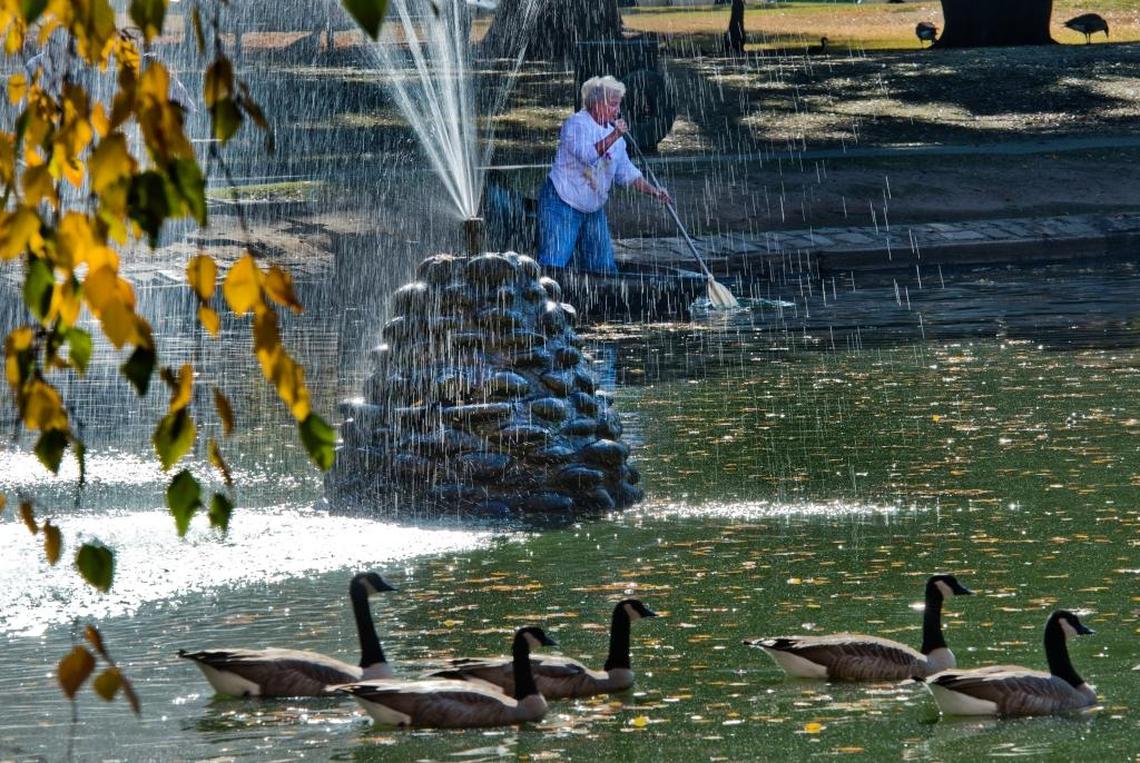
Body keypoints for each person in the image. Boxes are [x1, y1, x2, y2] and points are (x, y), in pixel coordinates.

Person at [537, 75, 672, 274]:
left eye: (618, 105)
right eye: (613, 105)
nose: (617, 111)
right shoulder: (576, 124)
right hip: (562, 201)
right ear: (596, 103)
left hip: (593, 208)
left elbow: (627, 173)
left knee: (603, 268)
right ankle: (543, 299)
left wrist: (654, 191)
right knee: (554, 262)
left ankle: (602, 301)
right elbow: (588, 155)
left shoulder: (616, 138)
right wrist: (615, 135)